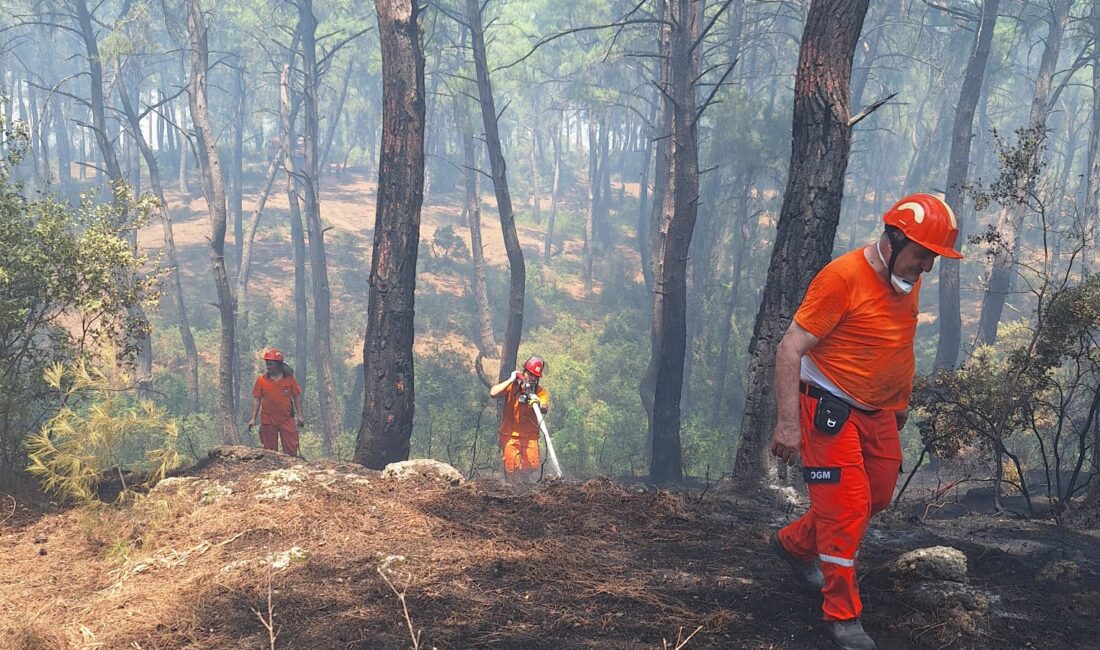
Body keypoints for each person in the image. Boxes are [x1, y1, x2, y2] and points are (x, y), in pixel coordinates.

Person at [768, 193, 963, 650]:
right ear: (894, 239)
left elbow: (896, 344)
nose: (928, 268)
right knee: (847, 510)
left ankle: (794, 544)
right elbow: (788, 349)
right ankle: (842, 615)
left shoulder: (905, 277)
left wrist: (899, 404)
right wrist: (787, 425)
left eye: (933, 258)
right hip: (828, 410)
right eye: (923, 256)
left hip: (880, 412)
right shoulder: (842, 278)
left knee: (873, 497)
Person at [489, 355, 549, 482]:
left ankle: (524, 485)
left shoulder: (539, 392)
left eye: (535, 377)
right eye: (530, 374)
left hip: (530, 437)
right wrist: (511, 379)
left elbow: (544, 407)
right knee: (513, 468)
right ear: (524, 373)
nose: (532, 379)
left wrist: (537, 402)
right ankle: (516, 492)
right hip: (509, 435)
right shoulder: (513, 387)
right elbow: (493, 393)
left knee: (532, 465)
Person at [247, 348, 304, 457]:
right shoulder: (261, 380)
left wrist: (300, 415)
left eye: (271, 364)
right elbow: (257, 399)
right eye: (267, 364)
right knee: (270, 453)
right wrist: (253, 418)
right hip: (268, 420)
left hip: (286, 419)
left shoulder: (290, 379)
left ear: (278, 365)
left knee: (291, 450)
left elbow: (296, 396)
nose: (268, 366)